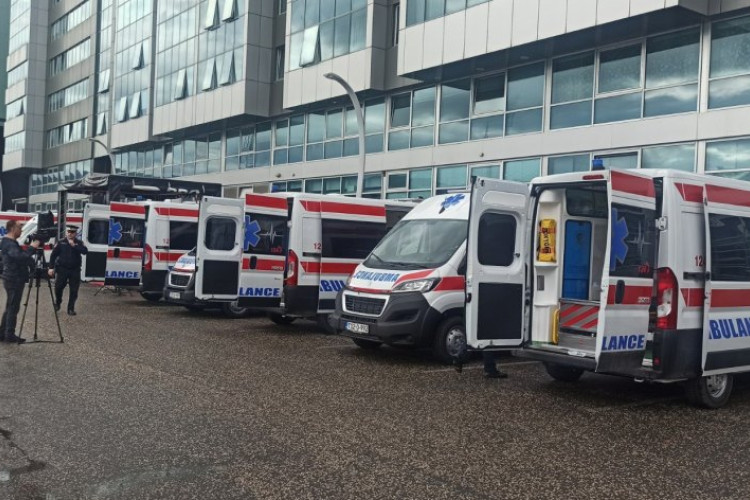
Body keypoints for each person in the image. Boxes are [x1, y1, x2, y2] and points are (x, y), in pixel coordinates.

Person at [0, 220, 41, 343]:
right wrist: (32, 248)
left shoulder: (10, 242)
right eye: (19, 227)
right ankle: (9, 335)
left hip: (13, 278)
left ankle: (3, 333)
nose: (21, 230)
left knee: (10, 306)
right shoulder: (9, 243)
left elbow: (20, 256)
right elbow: (19, 257)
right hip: (14, 279)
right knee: (13, 307)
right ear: (12, 228)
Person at [48, 225, 88, 316]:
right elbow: (53, 255)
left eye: (72, 232)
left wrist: (74, 246)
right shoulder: (61, 242)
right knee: (58, 288)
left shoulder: (79, 242)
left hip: (75, 270)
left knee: (74, 290)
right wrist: (51, 267)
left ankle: (70, 308)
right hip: (62, 269)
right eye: (68, 232)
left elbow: (85, 251)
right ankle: (58, 302)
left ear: (75, 233)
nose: (70, 234)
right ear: (66, 232)